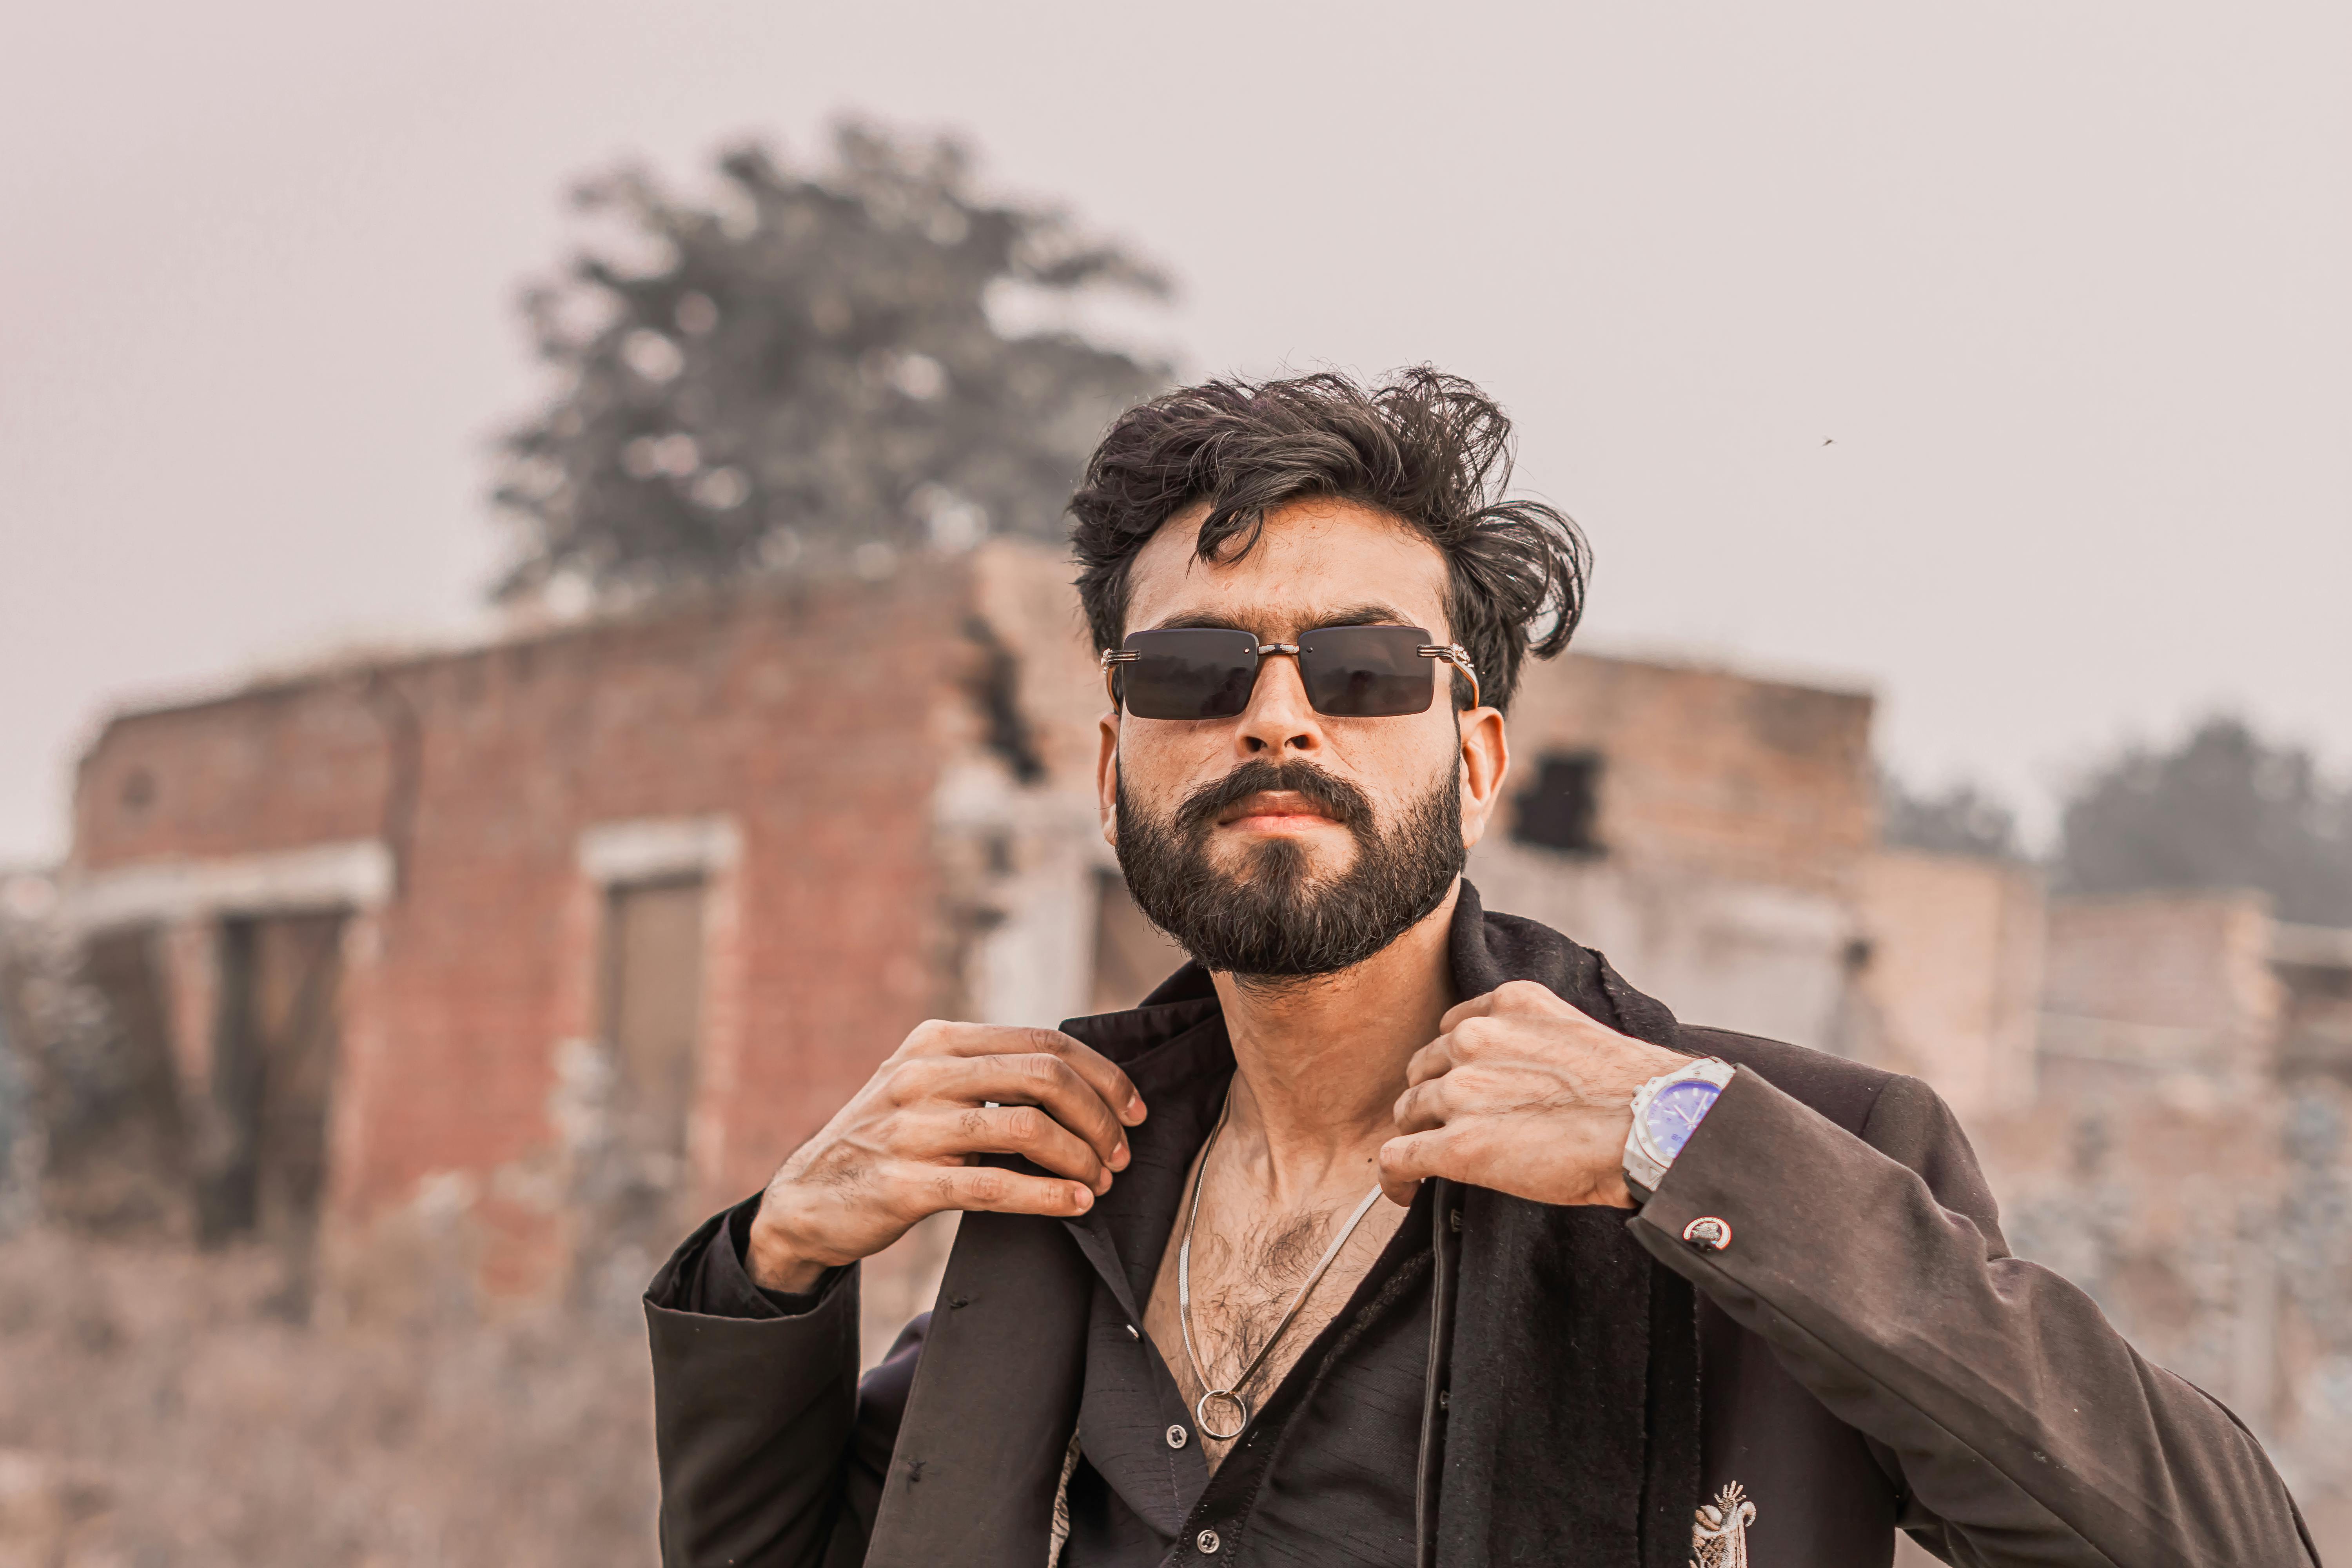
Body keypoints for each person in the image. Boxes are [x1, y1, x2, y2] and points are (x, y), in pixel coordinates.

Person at [644, 370, 2317, 1568]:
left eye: (1367, 670)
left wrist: (1686, 1144)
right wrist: (774, 1265)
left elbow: (2224, 1542)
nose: (1278, 717)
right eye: (1195, 671)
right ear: (1110, 766)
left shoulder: (1778, 1154)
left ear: (1479, 760)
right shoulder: (1062, 1184)